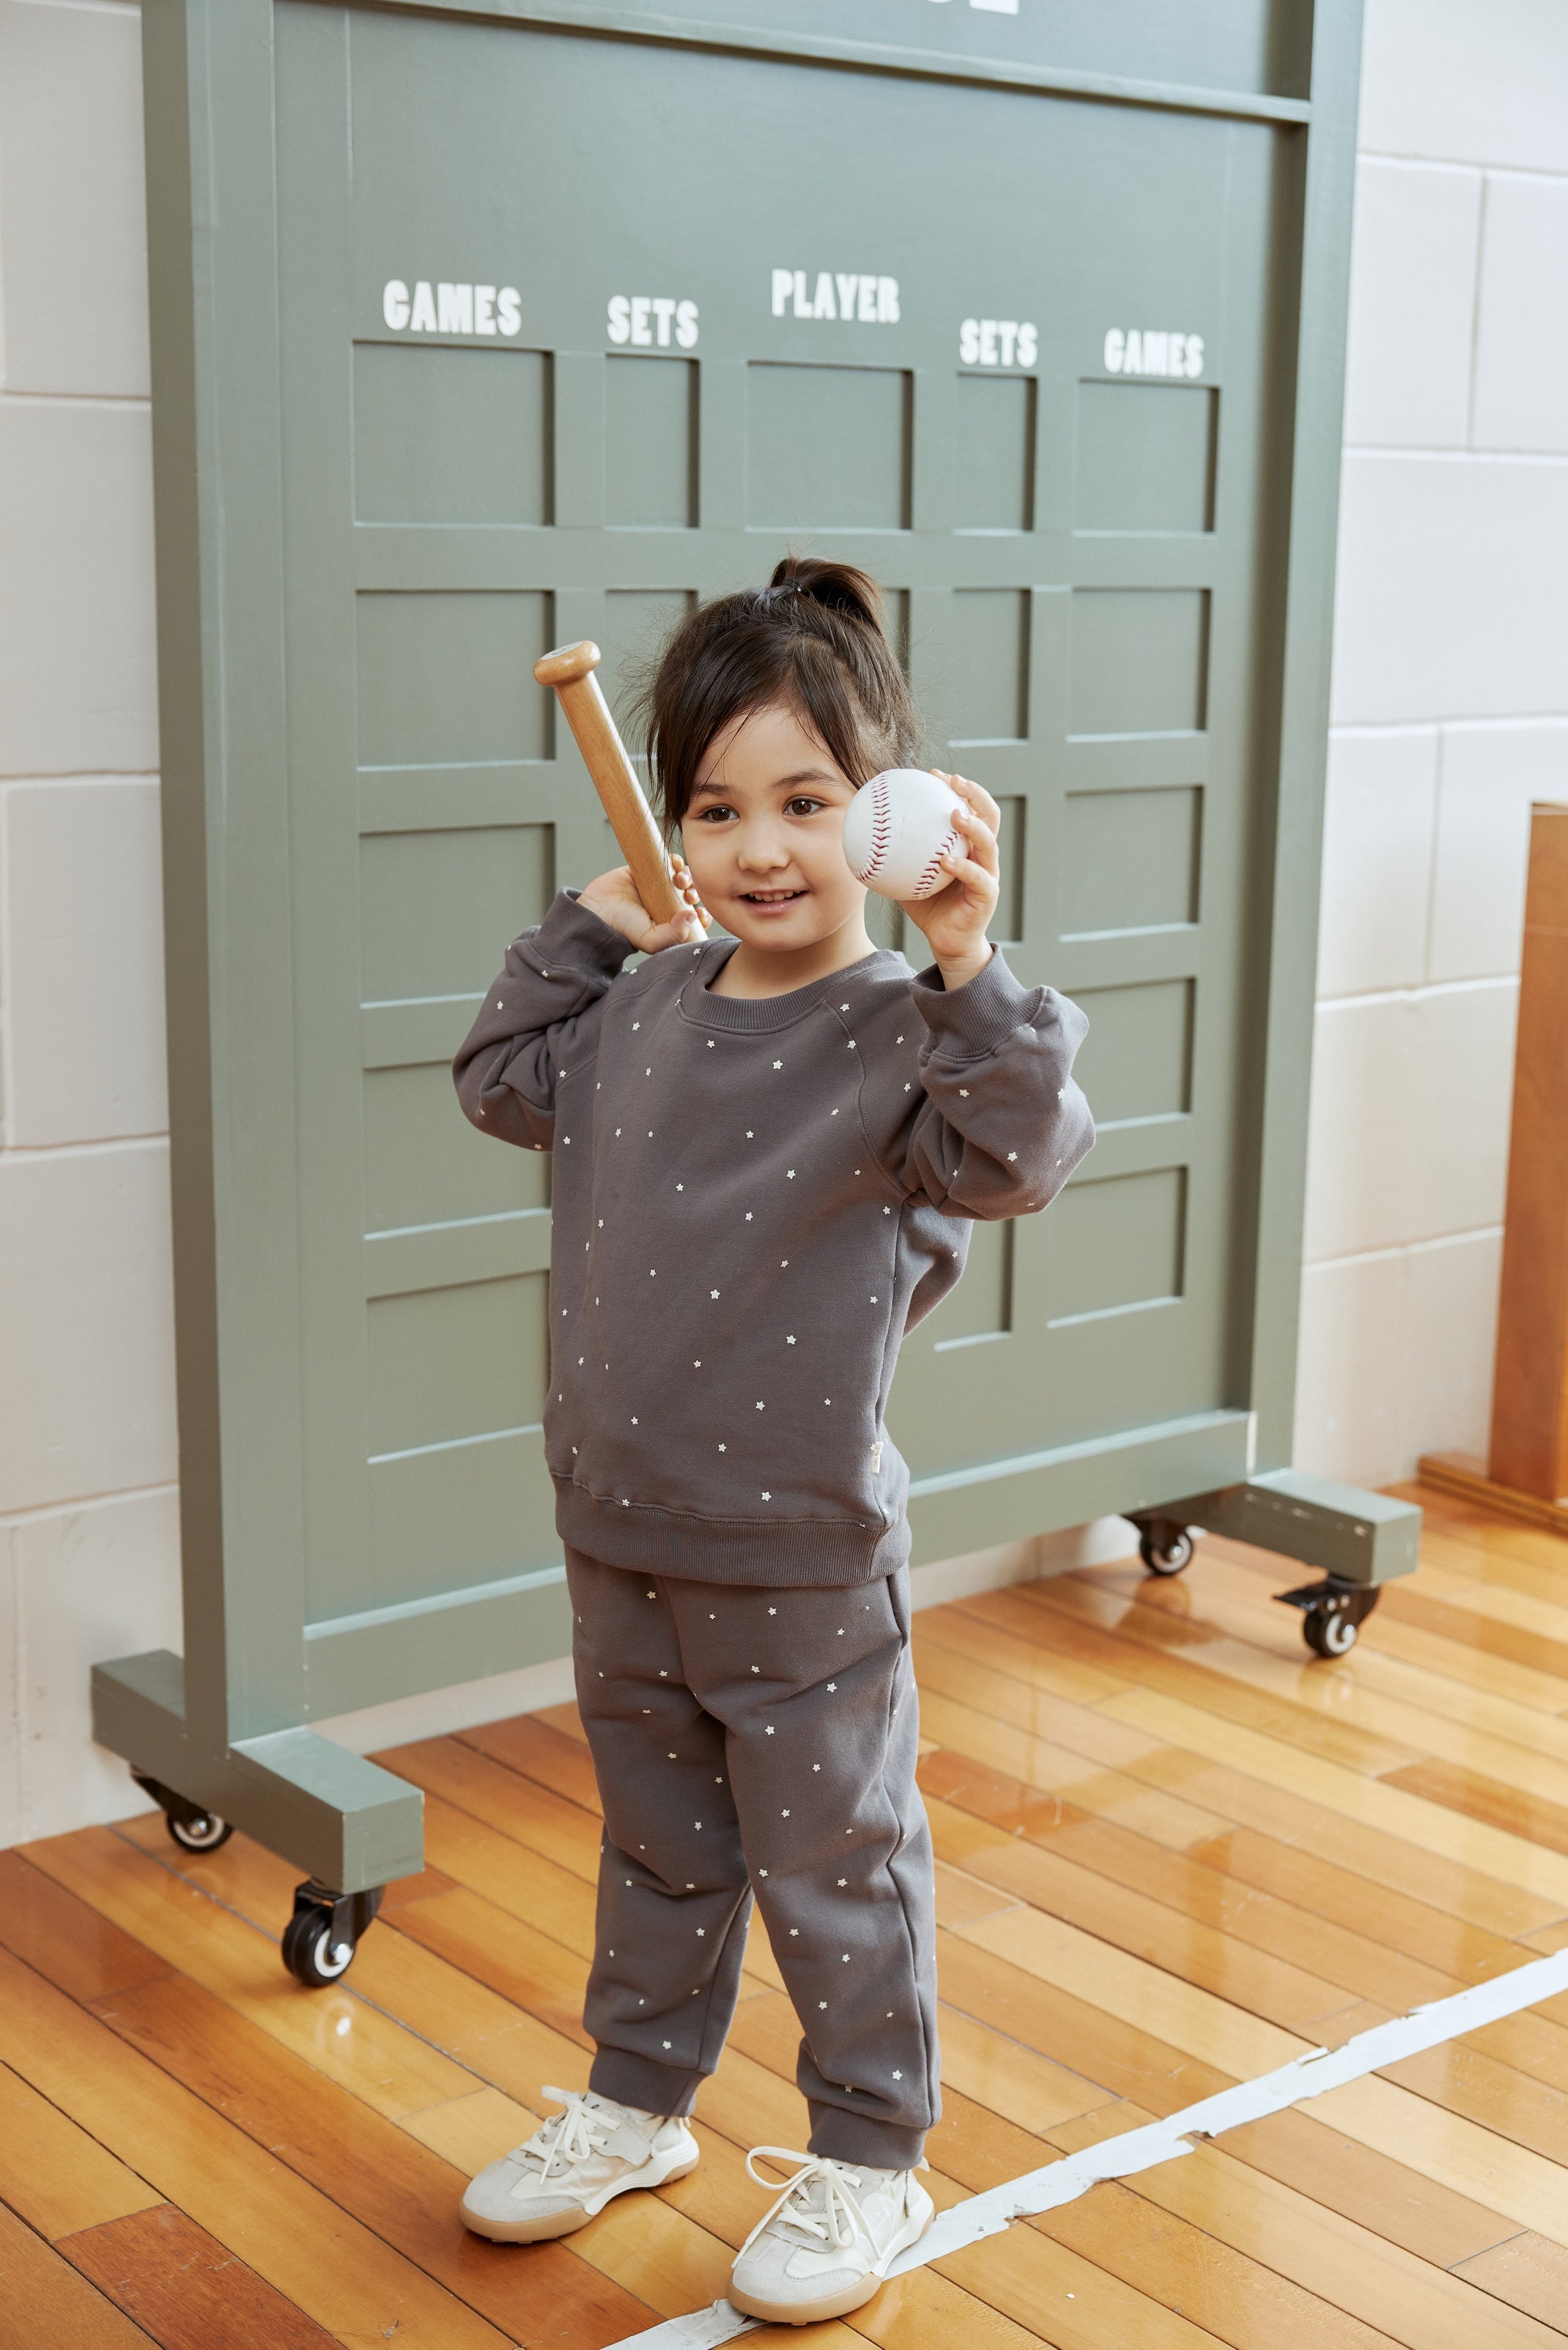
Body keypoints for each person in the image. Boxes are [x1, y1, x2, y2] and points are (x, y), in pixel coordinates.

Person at [450, 557, 1093, 2326]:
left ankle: (871, 2155)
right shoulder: (639, 1003)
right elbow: (496, 1072)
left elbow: (1024, 1151)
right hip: (617, 1529)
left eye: (807, 803)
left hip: (799, 1555)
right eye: (714, 806)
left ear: (882, 816)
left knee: (835, 1862)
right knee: (655, 1839)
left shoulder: (913, 1037)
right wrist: (589, 919)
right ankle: (635, 2102)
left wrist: (970, 953)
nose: (757, 847)